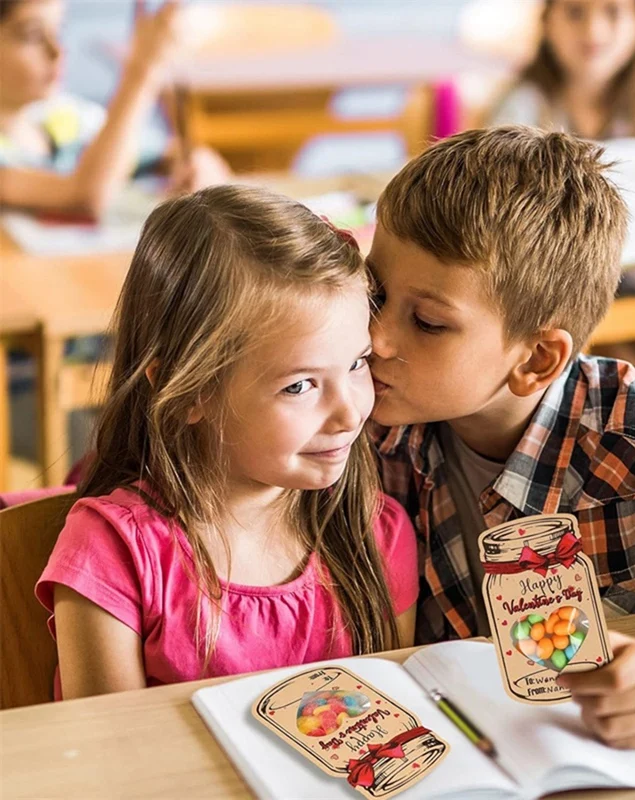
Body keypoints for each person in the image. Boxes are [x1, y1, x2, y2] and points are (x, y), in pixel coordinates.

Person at [366, 126, 635, 750]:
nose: (376, 338)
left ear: (538, 358)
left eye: (428, 323)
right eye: (375, 293)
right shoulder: (366, 421)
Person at [36, 186, 418, 699]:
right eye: (300, 385)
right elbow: (115, 765)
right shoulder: (113, 553)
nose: (351, 412)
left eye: (357, 363)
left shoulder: (378, 534)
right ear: (190, 391)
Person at [0, 0, 229, 219]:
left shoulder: (65, 116)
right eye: (32, 36)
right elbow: (82, 196)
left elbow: (158, 154)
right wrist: (142, 72)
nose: (57, 51)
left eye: (59, 30)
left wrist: (195, 164)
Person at [488, 0, 635, 138]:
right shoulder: (517, 110)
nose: (593, 32)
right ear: (546, 22)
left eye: (613, 11)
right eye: (575, 12)